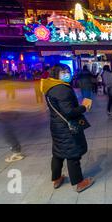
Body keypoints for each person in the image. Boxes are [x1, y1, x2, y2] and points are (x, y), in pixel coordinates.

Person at [41, 64, 94, 193]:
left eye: (68, 71)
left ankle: (57, 178)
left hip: (57, 126)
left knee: (58, 153)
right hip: (67, 127)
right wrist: (84, 107)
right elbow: (69, 112)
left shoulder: (50, 87)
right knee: (72, 154)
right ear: (56, 74)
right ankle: (79, 182)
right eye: (63, 72)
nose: (67, 74)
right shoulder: (62, 89)